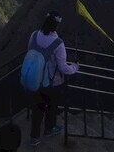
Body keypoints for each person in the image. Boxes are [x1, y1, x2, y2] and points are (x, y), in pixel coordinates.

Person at [26, 10, 79, 147]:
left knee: (37, 109)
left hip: (35, 80)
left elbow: (30, 53)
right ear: (56, 26)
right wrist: (74, 67)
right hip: (52, 83)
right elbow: (63, 68)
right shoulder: (58, 43)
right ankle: (49, 129)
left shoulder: (34, 35)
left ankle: (34, 137)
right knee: (52, 108)